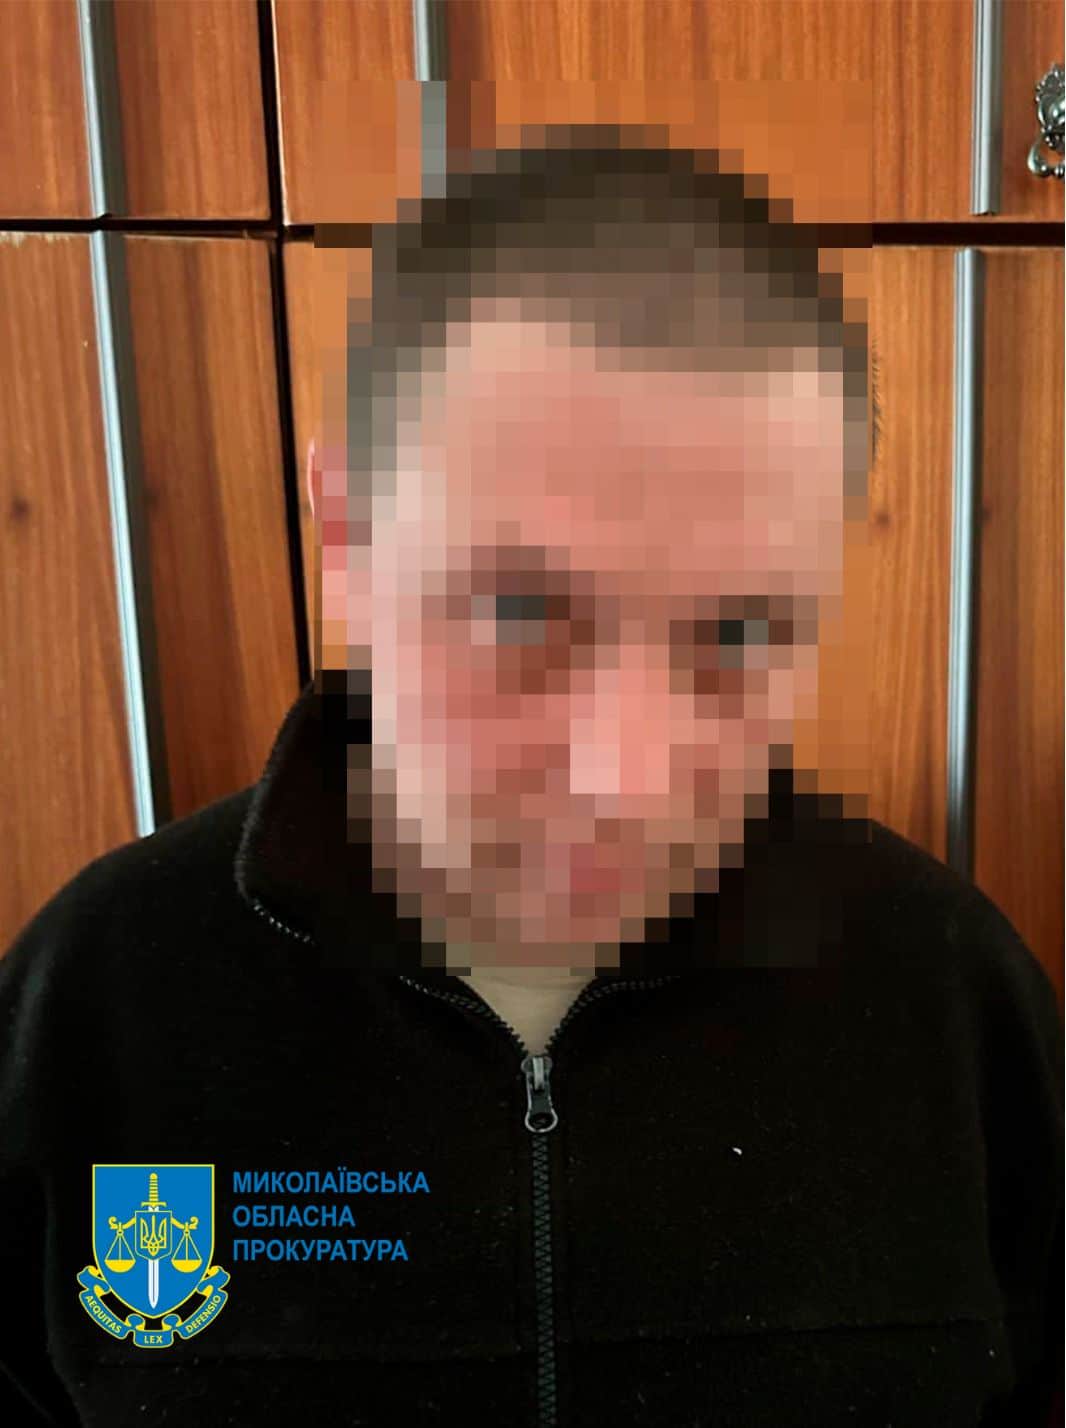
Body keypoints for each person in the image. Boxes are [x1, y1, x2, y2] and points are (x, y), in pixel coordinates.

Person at [0, 137, 1061, 1428]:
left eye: (738, 632)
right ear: (347, 531)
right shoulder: (91, 1005)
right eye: (517, 611)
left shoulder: (951, 998)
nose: (628, 777)